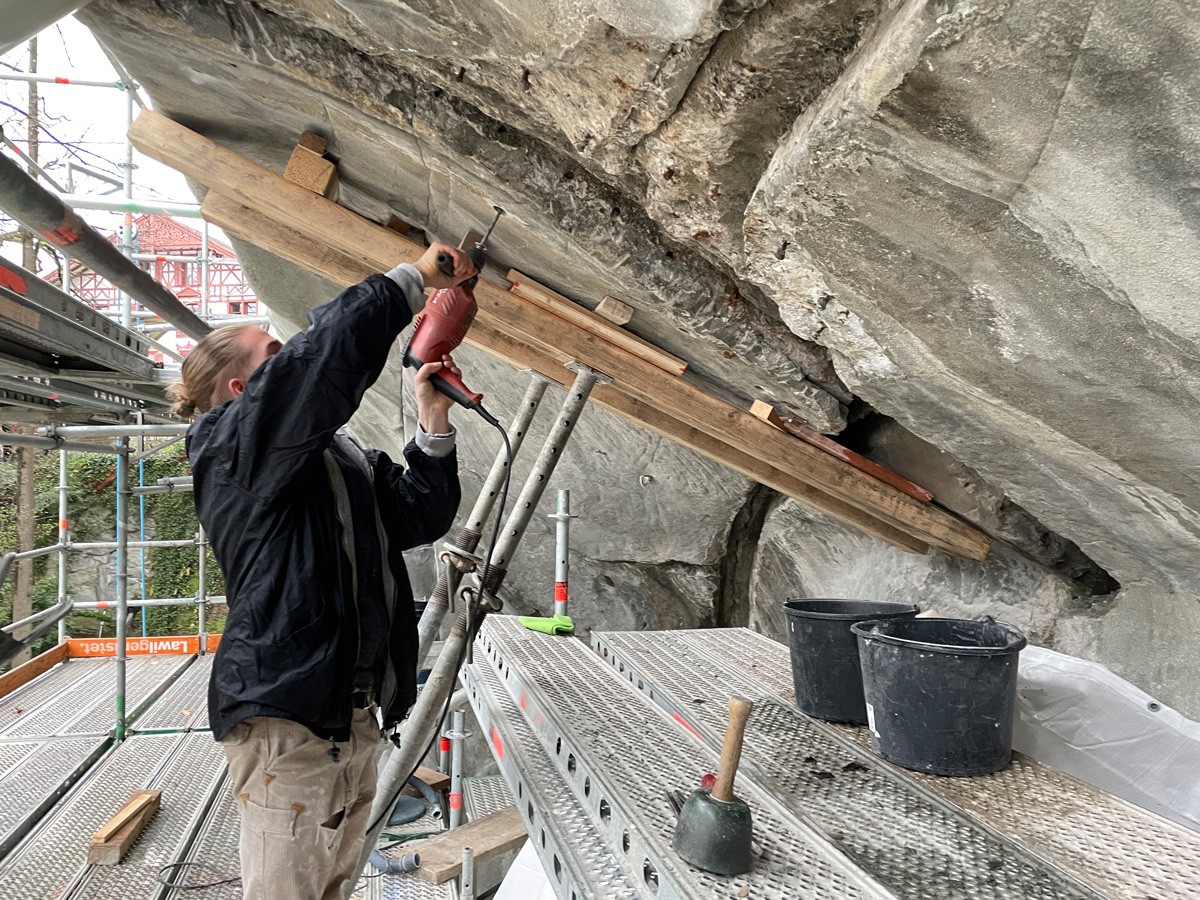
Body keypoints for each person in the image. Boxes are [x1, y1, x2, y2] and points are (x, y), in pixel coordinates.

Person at [167, 242, 477, 900]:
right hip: (288, 718)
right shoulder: (230, 449)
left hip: (350, 715)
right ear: (240, 391)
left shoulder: (332, 461)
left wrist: (432, 421)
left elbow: (417, 517)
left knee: (331, 887)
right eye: (275, 358)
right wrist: (411, 282)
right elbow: (321, 362)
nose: (295, 361)